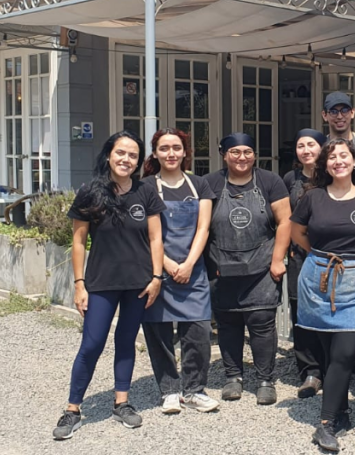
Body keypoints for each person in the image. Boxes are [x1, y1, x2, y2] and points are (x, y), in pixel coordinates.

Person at [53, 131, 165, 440]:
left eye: (132, 155)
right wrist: (79, 284)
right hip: (101, 283)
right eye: (120, 153)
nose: (126, 159)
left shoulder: (146, 192)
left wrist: (157, 277)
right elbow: (78, 242)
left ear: (139, 161)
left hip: (139, 284)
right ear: (108, 155)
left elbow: (156, 238)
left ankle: (122, 402)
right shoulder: (91, 192)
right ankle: (73, 409)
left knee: (126, 342)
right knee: (91, 344)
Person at [290, 139, 355, 452]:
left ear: (354, 162)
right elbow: (295, 231)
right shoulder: (312, 197)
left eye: (344, 156)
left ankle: (324, 424)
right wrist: (316, 255)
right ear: (325, 165)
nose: (338, 161)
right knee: (329, 355)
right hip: (319, 279)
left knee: (344, 354)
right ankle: (341, 413)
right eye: (333, 157)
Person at [204, 133, 291, 406]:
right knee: (228, 322)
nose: (242, 157)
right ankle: (233, 376)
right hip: (222, 265)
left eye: (247, 152)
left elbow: (285, 222)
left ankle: (265, 379)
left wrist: (278, 260)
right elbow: (203, 226)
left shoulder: (270, 181)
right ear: (224, 154)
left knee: (261, 323)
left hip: (261, 265)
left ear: (254, 154)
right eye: (235, 152)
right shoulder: (211, 183)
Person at [140, 128, 220, 414]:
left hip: (193, 271)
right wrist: (169, 266)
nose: (171, 153)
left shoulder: (200, 185)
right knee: (158, 332)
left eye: (176, 148)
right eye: (164, 148)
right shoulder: (147, 186)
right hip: (159, 271)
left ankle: (194, 389)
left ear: (186, 152)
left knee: (198, 333)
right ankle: (169, 391)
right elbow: (149, 234)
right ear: (155, 153)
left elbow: (204, 228)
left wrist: (187, 264)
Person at [283, 128, 328, 399]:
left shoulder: (333, 175)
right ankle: (310, 370)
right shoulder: (290, 179)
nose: (306, 150)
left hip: (330, 254)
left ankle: (334, 365)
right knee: (302, 312)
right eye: (301, 146)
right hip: (299, 255)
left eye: (311, 144)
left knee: (330, 309)